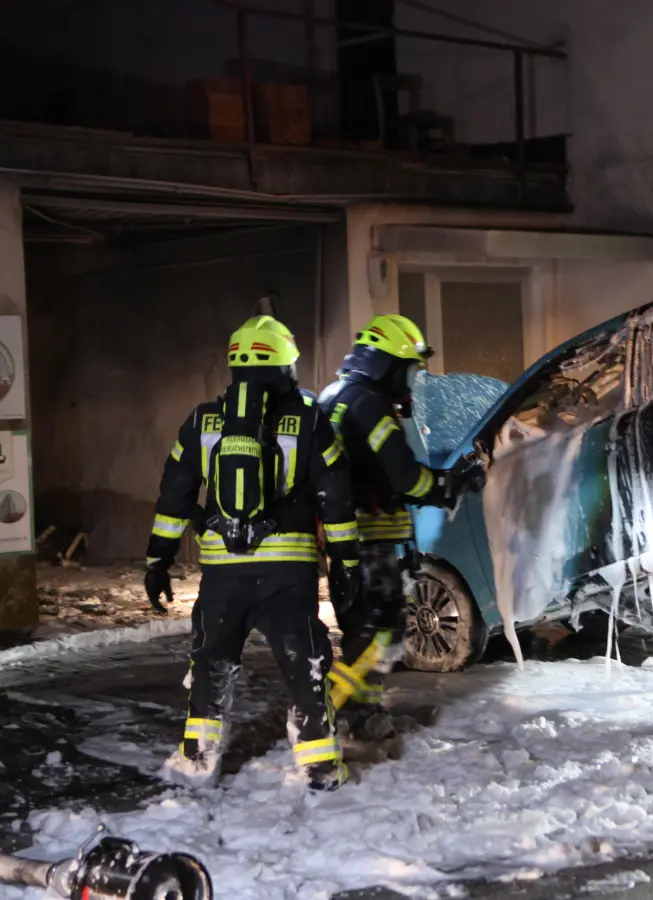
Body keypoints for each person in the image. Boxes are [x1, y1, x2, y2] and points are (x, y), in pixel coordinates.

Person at [144, 314, 362, 792]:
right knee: (304, 667)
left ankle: (197, 763)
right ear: (285, 366)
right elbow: (336, 500)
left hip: (223, 574)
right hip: (288, 576)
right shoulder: (310, 422)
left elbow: (174, 497)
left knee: (210, 665)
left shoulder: (201, 422)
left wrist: (157, 560)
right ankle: (320, 770)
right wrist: (346, 563)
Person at [316, 314, 484, 709]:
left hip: (343, 541)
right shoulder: (369, 404)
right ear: (385, 364)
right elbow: (404, 476)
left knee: (361, 633)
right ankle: (323, 708)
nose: (410, 381)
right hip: (373, 539)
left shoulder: (333, 396)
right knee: (383, 632)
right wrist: (447, 486)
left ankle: (364, 716)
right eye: (407, 370)